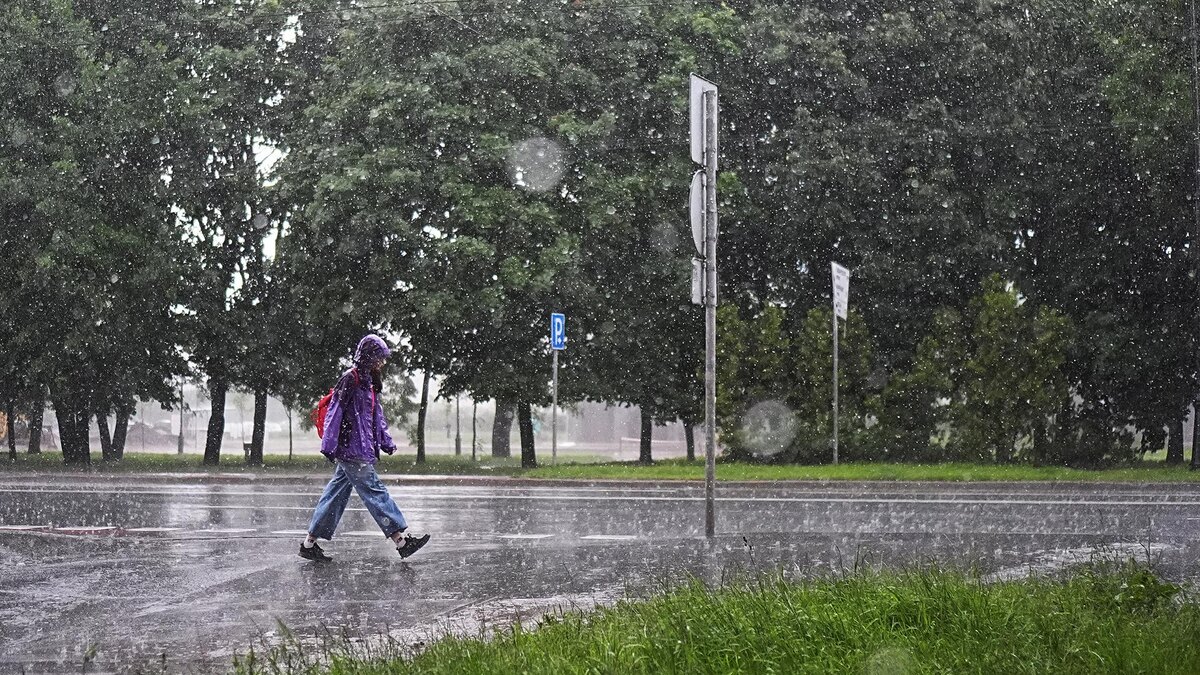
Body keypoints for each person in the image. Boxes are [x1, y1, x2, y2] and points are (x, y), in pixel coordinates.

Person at [299, 334, 429, 562]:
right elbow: (334, 413)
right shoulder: (351, 379)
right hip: (351, 449)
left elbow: (375, 415)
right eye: (379, 357)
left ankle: (309, 544)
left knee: (334, 496)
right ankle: (402, 541)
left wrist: (386, 441)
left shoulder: (370, 382)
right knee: (374, 490)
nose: (382, 362)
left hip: (361, 448)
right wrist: (328, 445)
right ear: (368, 356)